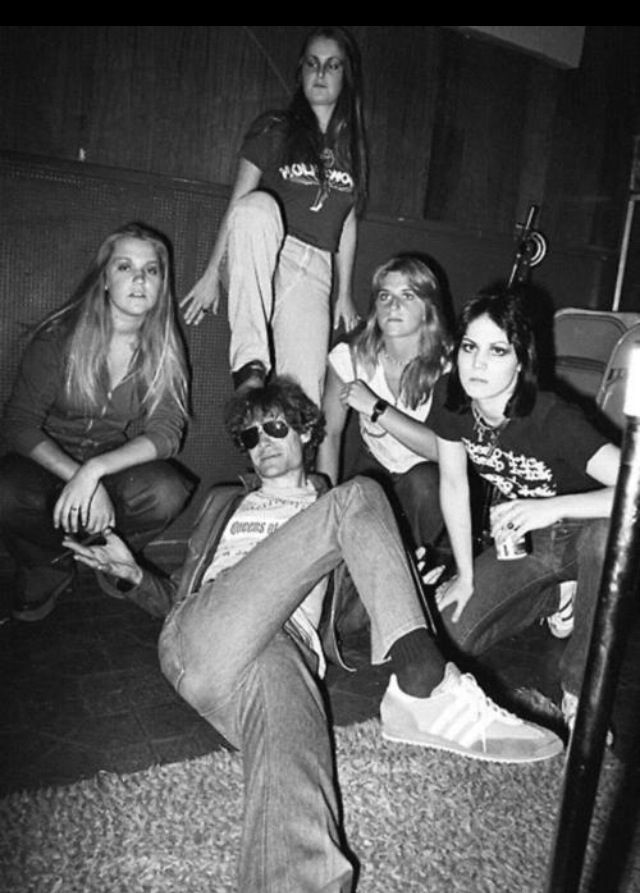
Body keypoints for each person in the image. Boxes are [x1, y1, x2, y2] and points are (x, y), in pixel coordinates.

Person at [64, 375, 562, 893]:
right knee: (361, 496)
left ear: (305, 431)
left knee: (297, 790)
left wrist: (403, 575)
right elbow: (184, 603)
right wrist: (136, 576)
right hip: (206, 633)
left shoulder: (334, 512)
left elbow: (352, 617)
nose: (263, 444)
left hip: (281, 657)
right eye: (250, 437)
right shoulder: (226, 503)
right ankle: (423, 683)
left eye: (275, 428)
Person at [427, 290, 621, 732]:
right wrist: (466, 574)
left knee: (602, 539)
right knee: (450, 639)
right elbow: (454, 483)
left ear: (521, 361)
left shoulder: (552, 417)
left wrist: (550, 508)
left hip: (584, 529)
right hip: (525, 541)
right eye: (470, 347)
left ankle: (578, 691)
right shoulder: (451, 397)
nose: (476, 364)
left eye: (497, 351)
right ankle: (558, 595)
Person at [0, 221, 195, 622]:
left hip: (110, 461)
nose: (140, 278)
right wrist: (77, 474)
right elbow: (18, 423)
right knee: (5, 491)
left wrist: (95, 471)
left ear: (162, 284)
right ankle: (47, 563)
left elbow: (166, 433)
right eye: (125, 267)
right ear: (104, 278)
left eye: (152, 270)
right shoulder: (59, 337)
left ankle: (112, 554)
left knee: (166, 490)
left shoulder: (165, 351)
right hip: (46, 460)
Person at [180, 25, 368, 404]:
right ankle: (249, 367)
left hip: (315, 270)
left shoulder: (354, 148)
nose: (320, 73)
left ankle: (286, 457)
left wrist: (344, 294)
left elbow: (347, 221)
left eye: (332, 66)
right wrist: (213, 271)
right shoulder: (275, 128)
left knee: (303, 399)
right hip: (264, 254)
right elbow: (239, 205)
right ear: (300, 71)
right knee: (258, 207)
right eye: (312, 64)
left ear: (345, 76)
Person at [317, 254, 451, 553]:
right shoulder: (350, 356)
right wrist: (327, 503)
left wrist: (376, 408)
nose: (393, 306)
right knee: (355, 506)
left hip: (428, 478)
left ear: (428, 307)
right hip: (374, 466)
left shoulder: (448, 366)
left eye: (407, 295)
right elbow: (330, 434)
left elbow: (445, 450)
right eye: (384, 296)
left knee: (424, 483)